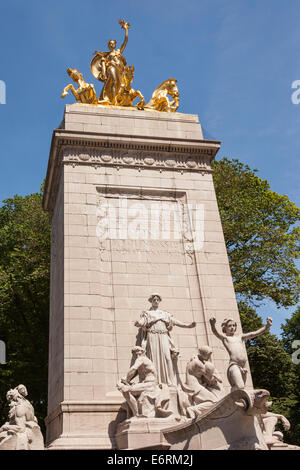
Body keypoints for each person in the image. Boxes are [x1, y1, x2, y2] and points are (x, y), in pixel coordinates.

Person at [135, 293, 196, 386]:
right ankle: (155, 381)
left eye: (157, 299)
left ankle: (169, 381)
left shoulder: (164, 313)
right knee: (153, 358)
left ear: (159, 301)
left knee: (167, 358)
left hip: (163, 336)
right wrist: (139, 323)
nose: (156, 301)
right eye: (154, 299)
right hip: (152, 335)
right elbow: (142, 321)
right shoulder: (148, 313)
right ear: (151, 301)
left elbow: (175, 321)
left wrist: (187, 326)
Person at [209, 316, 272, 390]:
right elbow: (216, 333)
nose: (232, 327)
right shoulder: (225, 338)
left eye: (233, 325)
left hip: (243, 366)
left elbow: (254, 334)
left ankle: (234, 397)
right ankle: (231, 394)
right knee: (240, 386)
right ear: (225, 328)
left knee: (241, 389)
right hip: (234, 364)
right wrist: (212, 325)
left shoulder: (240, 337)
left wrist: (267, 326)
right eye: (229, 326)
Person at [91, 19, 130, 105]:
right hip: (111, 68)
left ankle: (115, 98)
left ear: (115, 45)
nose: (111, 45)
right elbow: (102, 59)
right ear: (108, 46)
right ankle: (114, 100)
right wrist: (104, 73)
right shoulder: (107, 55)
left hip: (120, 70)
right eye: (110, 44)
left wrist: (126, 29)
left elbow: (125, 41)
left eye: (113, 44)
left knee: (120, 85)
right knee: (114, 81)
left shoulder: (119, 51)